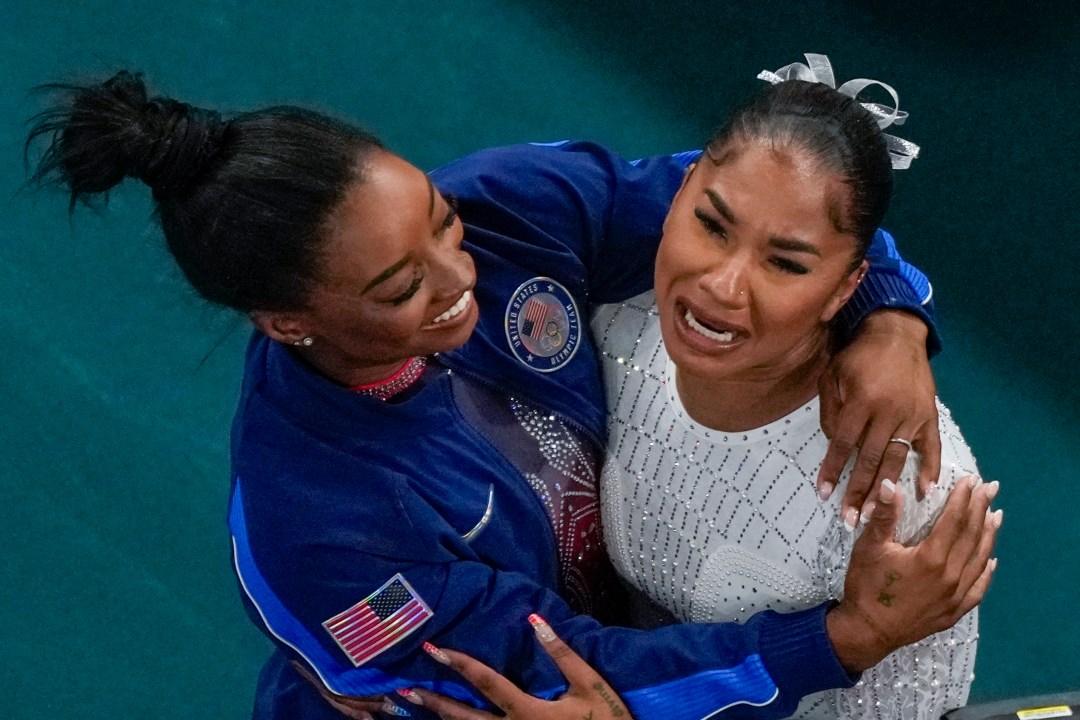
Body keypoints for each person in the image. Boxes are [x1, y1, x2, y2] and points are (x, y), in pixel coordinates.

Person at [26, 69, 997, 720]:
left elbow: (743, 205)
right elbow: (572, 678)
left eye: (440, 224)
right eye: (400, 289)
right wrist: (844, 640)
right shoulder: (322, 524)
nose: (459, 278)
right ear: (287, 321)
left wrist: (888, 311)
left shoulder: (505, 208)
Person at [590, 57, 992, 719]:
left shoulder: (903, 483)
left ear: (844, 287)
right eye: (712, 226)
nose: (723, 287)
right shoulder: (614, 322)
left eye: (784, 263)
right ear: (681, 189)